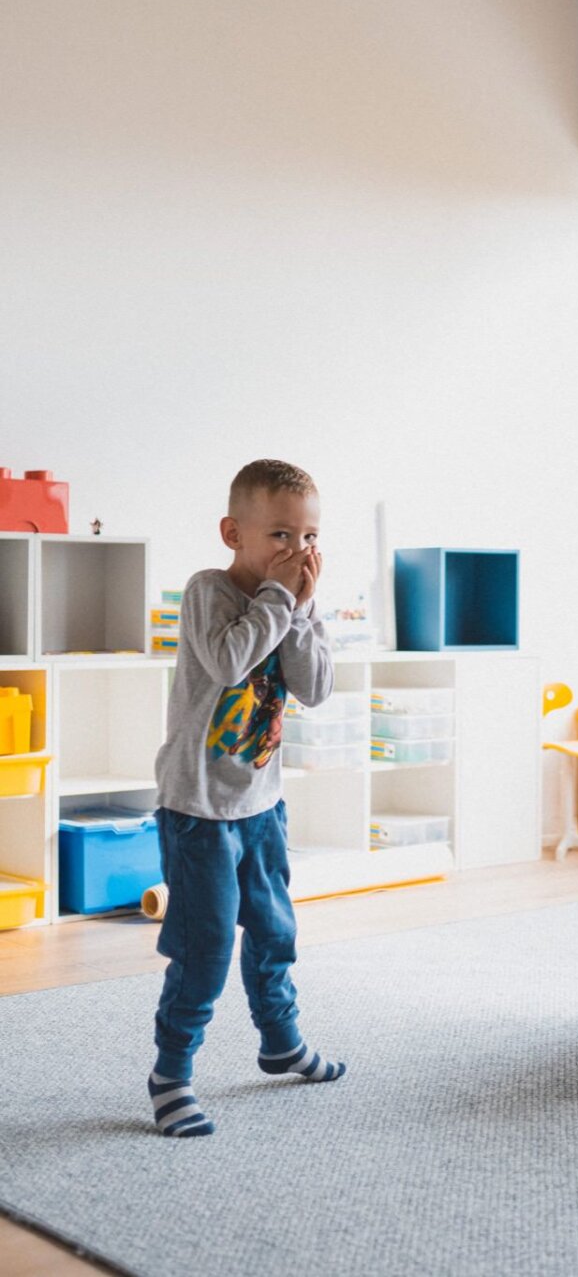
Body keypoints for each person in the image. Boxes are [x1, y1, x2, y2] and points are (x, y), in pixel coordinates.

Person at [148, 458, 344, 1137]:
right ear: (234, 532)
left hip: (261, 805)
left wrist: (305, 610)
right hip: (199, 809)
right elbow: (230, 660)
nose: (299, 551)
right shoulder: (208, 591)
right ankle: (171, 1072)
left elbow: (315, 687)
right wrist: (280, 601)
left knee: (274, 931)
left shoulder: (291, 602)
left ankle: (280, 1040)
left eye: (310, 537)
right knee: (204, 948)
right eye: (281, 536)